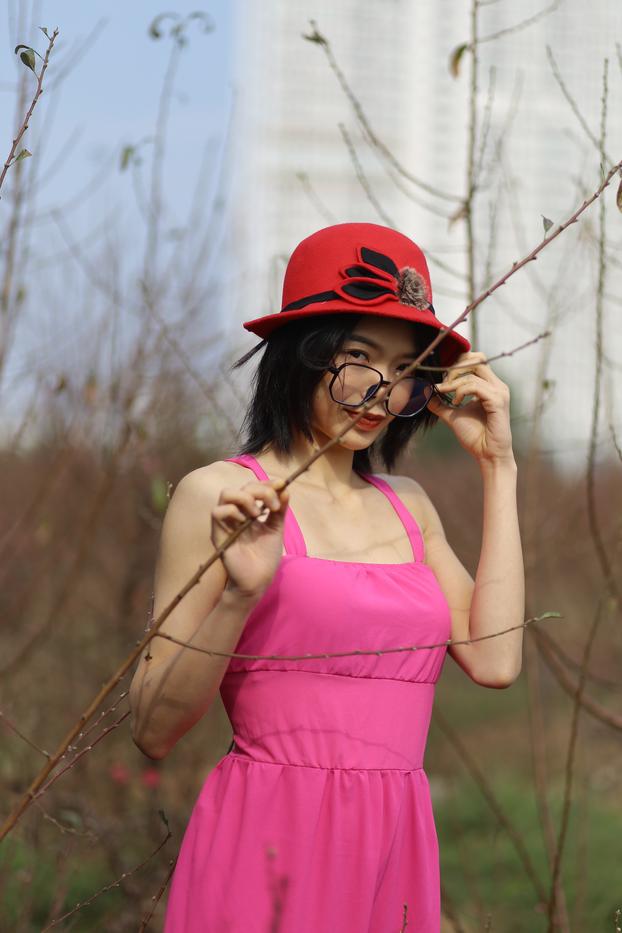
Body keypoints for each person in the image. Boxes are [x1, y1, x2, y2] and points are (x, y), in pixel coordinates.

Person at [129, 222, 525, 932]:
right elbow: (153, 729)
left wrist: (499, 468)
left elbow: (496, 660)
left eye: (405, 367)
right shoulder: (219, 495)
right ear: (300, 355)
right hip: (267, 844)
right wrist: (239, 595)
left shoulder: (410, 507)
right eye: (358, 357)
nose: (380, 389)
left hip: (393, 848)